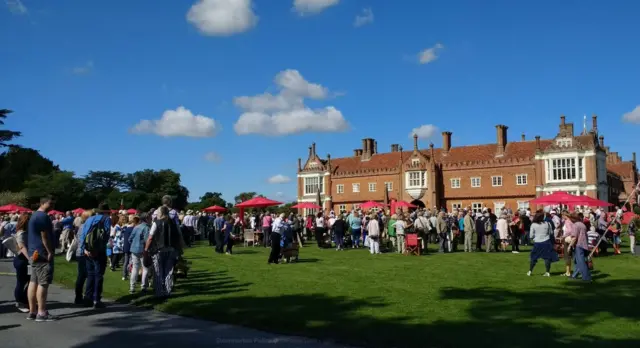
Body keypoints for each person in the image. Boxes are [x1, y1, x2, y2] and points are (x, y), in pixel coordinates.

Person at [26, 196, 57, 321]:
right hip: (42, 253)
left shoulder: (34, 216)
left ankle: (32, 311)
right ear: (43, 203)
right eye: (50, 204)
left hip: (34, 253)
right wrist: (49, 251)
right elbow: (44, 236)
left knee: (33, 282)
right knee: (43, 283)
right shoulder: (42, 216)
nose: (52, 206)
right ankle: (41, 312)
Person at [78, 203, 112, 309]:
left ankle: (87, 298)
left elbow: (83, 234)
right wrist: (99, 248)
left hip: (87, 250)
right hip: (99, 250)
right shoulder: (106, 219)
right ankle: (96, 299)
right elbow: (106, 235)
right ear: (106, 211)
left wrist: (85, 248)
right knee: (99, 275)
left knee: (90, 274)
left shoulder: (90, 219)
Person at [145, 206, 181, 298]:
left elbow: (150, 237)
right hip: (171, 249)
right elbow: (178, 236)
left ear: (160, 213)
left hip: (158, 249)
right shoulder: (173, 223)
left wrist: (146, 249)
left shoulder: (156, 222)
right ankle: (168, 291)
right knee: (168, 271)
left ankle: (159, 292)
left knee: (158, 271)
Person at [527, 210, 559, 277]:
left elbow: (531, 235)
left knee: (533, 257)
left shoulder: (533, 224)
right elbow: (551, 233)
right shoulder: (547, 223)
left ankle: (530, 271)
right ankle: (547, 272)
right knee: (547, 257)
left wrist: (535, 237)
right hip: (546, 242)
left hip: (537, 242)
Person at [74, 210, 94, 305]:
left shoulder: (81, 227)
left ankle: (79, 297)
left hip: (80, 253)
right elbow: (82, 241)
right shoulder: (86, 227)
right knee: (86, 275)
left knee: (82, 276)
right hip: (84, 253)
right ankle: (85, 297)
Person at [129, 213, 151, 294]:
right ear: (146, 219)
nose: (150, 219)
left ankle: (132, 286)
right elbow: (147, 240)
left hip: (134, 249)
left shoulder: (136, 227)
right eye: (149, 218)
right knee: (145, 268)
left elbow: (130, 238)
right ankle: (143, 286)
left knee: (135, 268)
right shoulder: (146, 228)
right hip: (142, 250)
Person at [13, 214, 30, 313]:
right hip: (22, 260)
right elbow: (22, 246)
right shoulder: (21, 233)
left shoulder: (26, 232)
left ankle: (24, 299)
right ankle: (19, 301)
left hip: (25, 259)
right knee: (21, 282)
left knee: (30, 280)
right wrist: (30, 258)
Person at [571, 213, 592, 282]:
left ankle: (586, 277)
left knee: (581, 262)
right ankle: (574, 275)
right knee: (578, 261)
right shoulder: (582, 224)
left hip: (579, 245)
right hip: (584, 244)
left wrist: (570, 246)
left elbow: (574, 237)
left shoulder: (575, 225)